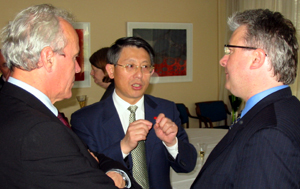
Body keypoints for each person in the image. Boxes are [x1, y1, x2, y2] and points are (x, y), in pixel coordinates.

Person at [0, 4, 141, 189]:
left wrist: (110, 169)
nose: (78, 68)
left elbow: (93, 157)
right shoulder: (40, 131)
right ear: (48, 58)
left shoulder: (12, 104)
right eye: (75, 57)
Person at [191, 9, 300, 188]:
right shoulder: (284, 109)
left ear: (256, 58)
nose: (222, 60)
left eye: (230, 51)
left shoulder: (270, 135)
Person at [71, 36, 197, 189]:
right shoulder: (85, 120)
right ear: (111, 71)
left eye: (145, 67)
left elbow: (188, 165)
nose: (139, 75)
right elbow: (87, 174)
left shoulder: (166, 109)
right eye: (130, 66)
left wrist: (172, 143)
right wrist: (123, 146)